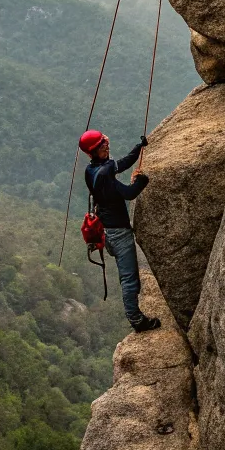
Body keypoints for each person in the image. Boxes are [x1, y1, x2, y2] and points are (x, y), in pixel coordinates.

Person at [79, 128, 160, 332]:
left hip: (107, 232)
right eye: (100, 147)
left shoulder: (92, 170)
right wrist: (142, 181)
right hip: (119, 234)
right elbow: (130, 193)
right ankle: (136, 320)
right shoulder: (106, 173)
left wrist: (138, 148)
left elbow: (122, 163)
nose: (105, 147)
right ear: (93, 152)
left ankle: (135, 315)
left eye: (104, 143)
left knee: (128, 275)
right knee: (129, 279)